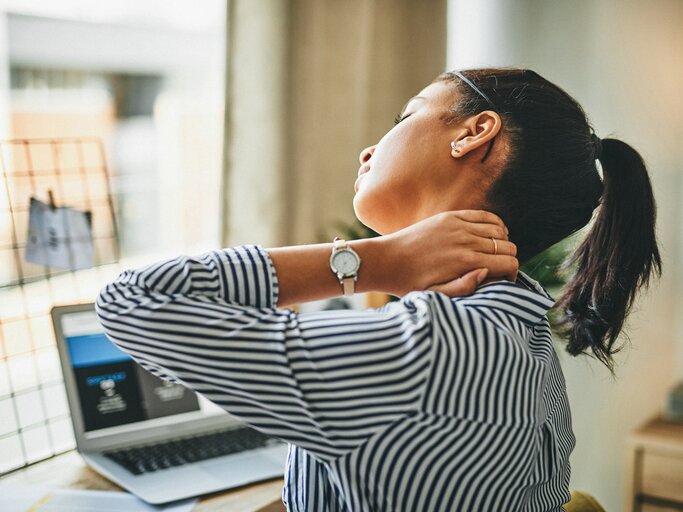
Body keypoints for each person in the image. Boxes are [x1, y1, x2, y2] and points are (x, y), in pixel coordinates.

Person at [95, 68, 661, 511]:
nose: (369, 150)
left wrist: (375, 259)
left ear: (474, 132)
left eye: (405, 116)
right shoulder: (522, 329)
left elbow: (132, 302)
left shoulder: (430, 346)